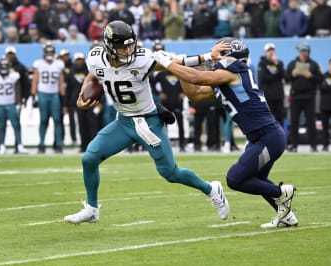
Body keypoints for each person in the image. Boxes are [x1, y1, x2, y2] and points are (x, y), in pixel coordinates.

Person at [64, 20, 229, 224]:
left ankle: (211, 189)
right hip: (123, 122)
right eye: (123, 46)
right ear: (108, 47)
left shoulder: (142, 59)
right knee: (89, 158)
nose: (128, 49)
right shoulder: (95, 58)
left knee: (170, 173)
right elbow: (94, 73)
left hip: (148, 122)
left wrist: (207, 57)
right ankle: (92, 208)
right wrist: (84, 90)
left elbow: (175, 61)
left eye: (130, 44)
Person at [153, 37, 297, 228]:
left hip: (267, 136)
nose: (214, 58)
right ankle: (287, 217)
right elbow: (194, 93)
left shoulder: (233, 71)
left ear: (231, 57)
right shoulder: (228, 78)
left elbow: (197, 77)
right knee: (257, 179)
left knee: (235, 179)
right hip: (261, 137)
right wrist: (179, 68)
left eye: (219, 54)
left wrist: (170, 63)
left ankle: (281, 193)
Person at [286, 42, 323, 152]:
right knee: (294, 122)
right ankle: (294, 145)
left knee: (311, 122)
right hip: (296, 96)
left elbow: (320, 79)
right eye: (301, 51)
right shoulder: (292, 64)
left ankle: (313, 145)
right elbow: (286, 78)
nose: (303, 53)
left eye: (304, 51)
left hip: (309, 97)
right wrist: (292, 75)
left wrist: (311, 76)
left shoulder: (314, 64)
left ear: (308, 51)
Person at [0, 57, 27, 154]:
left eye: (5, 66)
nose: (4, 68)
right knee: (2, 126)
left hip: (11, 103)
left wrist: (18, 103)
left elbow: (17, 90)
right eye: (2, 66)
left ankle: (20, 145)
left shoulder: (14, 76)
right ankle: (2, 145)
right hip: (0, 104)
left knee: (16, 125)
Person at [31, 43, 66, 153]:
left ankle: (59, 144)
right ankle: (41, 144)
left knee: (57, 120)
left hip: (54, 95)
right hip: (43, 94)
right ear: (44, 53)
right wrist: (34, 96)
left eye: (51, 52)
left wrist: (63, 99)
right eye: (48, 52)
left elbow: (61, 82)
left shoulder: (59, 64)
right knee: (43, 120)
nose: (49, 54)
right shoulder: (39, 64)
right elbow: (35, 80)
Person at [258, 43, 285, 127]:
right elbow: (263, 78)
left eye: (272, 50)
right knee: (269, 119)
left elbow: (285, 76)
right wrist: (276, 75)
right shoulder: (262, 63)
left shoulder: (279, 63)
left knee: (280, 119)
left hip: (278, 96)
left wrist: (277, 65)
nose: (271, 53)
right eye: (269, 51)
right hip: (268, 96)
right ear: (265, 52)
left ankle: (281, 138)